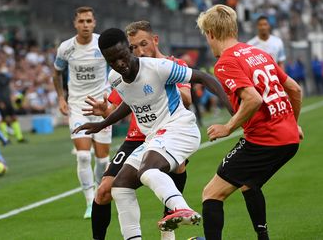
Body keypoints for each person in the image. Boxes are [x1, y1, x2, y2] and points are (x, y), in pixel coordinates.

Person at [73, 28, 233, 240]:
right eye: (113, 60)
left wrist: (234, 113)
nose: (120, 64)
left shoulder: (158, 68)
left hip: (179, 129)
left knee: (147, 172)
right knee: (119, 187)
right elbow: (129, 102)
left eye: (122, 56)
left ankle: (181, 208)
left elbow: (203, 77)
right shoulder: (115, 78)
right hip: (153, 138)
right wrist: (103, 123)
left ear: (130, 49)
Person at [197, 4, 303, 240]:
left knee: (211, 193)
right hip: (289, 139)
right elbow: (294, 89)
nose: (208, 41)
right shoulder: (258, 53)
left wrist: (228, 127)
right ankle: (263, 237)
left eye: (206, 36)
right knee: (248, 183)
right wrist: (293, 124)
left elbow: (253, 99)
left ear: (211, 33)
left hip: (264, 141)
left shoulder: (225, 63)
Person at [90, 21, 192, 240]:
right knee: (105, 190)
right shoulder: (126, 69)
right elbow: (119, 106)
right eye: (134, 47)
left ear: (155, 40)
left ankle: (173, 219)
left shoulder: (172, 65)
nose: (140, 50)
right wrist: (104, 112)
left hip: (166, 133)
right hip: (136, 137)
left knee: (176, 168)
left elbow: (187, 99)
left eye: (143, 43)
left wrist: (163, 83)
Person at [52, 6, 112, 219]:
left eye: (89, 21)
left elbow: (116, 69)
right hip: (77, 106)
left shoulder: (103, 44)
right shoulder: (66, 48)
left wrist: (113, 98)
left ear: (94, 23)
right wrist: (61, 97)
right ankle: (90, 202)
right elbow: (57, 73)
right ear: (75, 24)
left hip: (102, 106)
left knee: (103, 161)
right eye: (81, 21)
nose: (85, 25)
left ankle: (98, 192)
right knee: (84, 156)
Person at [0, 65, 26, 143]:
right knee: (3, 120)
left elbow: (7, 90)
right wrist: (0, 102)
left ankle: (19, 137)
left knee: (13, 118)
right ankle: (6, 138)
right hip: (3, 102)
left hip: (8, 101)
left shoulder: (6, 79)